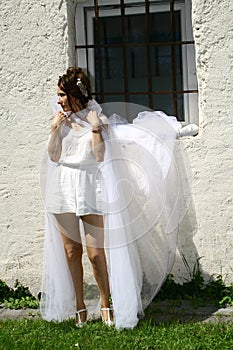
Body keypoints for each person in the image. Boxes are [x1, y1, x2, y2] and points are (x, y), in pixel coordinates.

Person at [40, 67, 193, 330]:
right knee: (70, 251)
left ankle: (105, 302)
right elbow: (54, 156)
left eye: (62, 95)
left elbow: (100, 157)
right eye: (58, 95)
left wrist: (96, 130)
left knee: (96, 253)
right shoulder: (60, 120)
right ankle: (79, 307)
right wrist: (55, 130)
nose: (59, 100)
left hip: (90, 186)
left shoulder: (95, 117)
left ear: (76, 94)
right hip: (62, 185)